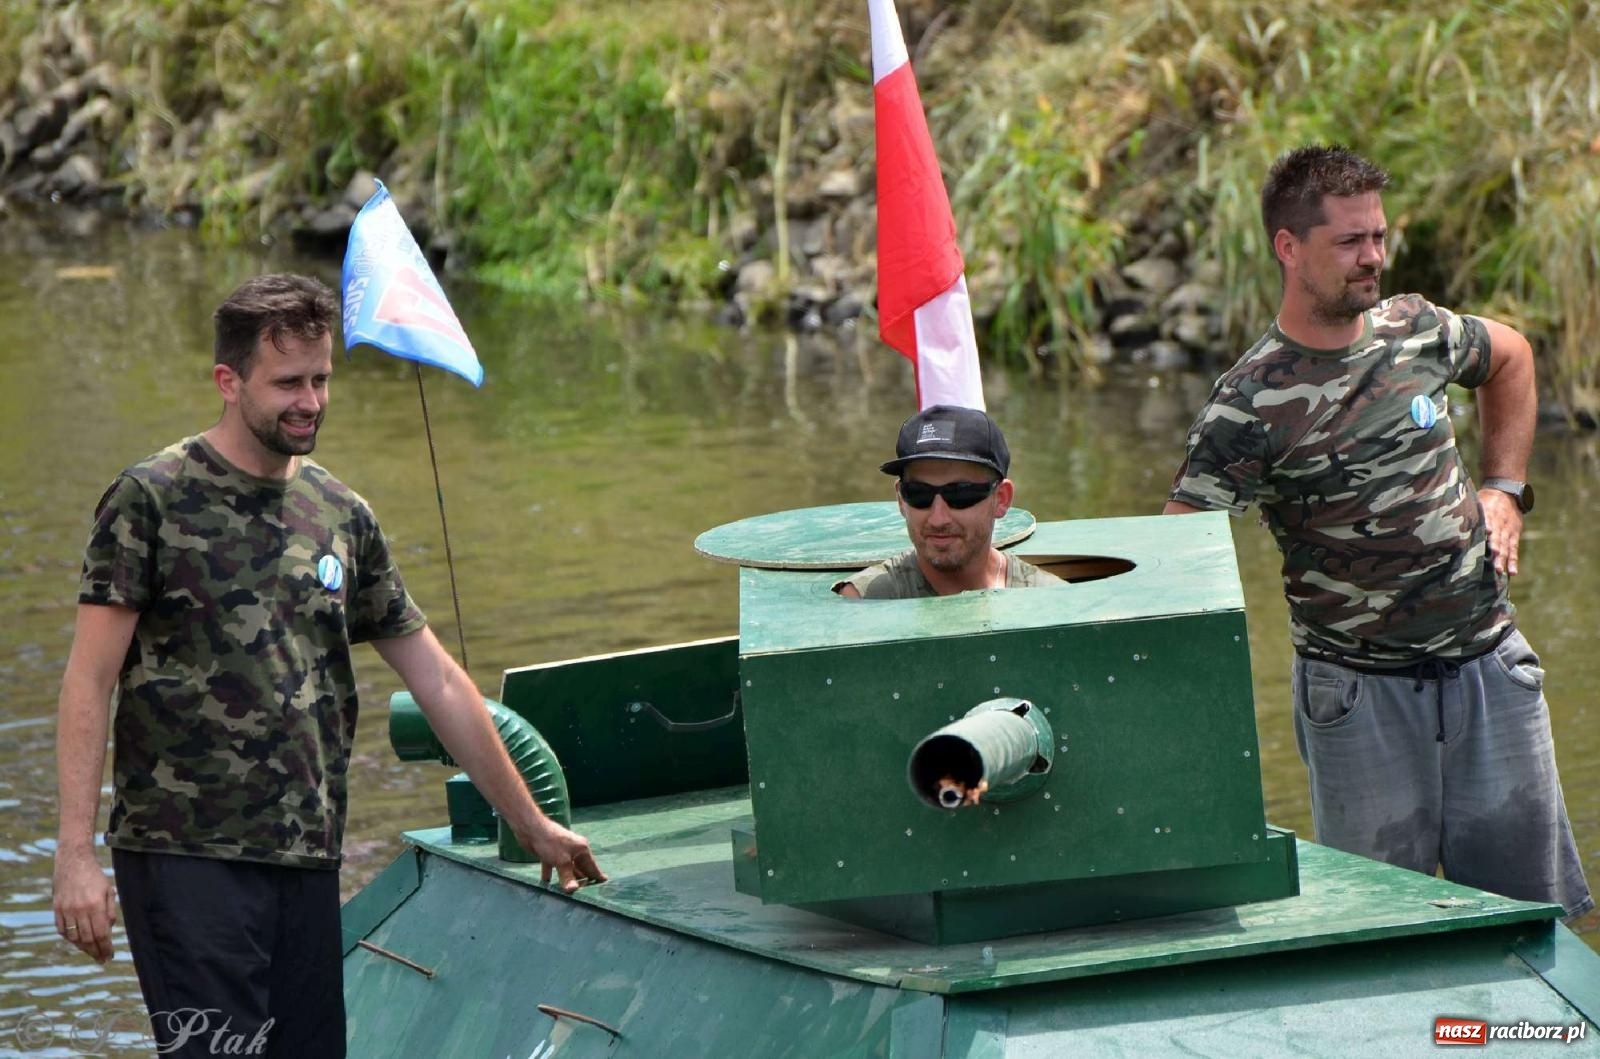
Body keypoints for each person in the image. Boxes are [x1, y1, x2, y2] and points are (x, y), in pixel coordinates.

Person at [51, 273, 607, 1056]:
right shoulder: (152, 499)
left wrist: (531, 822)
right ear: (228, 379)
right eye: (287, 383)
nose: (310, 399)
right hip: (186, 860)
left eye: (320, 378)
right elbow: (89, 679)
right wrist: (74, 855)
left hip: (308, 854)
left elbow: (437, 679)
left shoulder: (343, 515)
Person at [1164, 144, 1590, 918]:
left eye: (1380, 235)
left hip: (1489, 671)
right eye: (1351, 241)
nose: (1375, 257)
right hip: (1358, 695)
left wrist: (1504, 490)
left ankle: (1518, 1041)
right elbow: (1175, 553)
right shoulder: (1246, 404)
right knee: (1374, 931)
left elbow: (1513, 359)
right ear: (1288, 248)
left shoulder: (1418, 329)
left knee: (1531, 926)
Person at [835, 404, 1060, 598]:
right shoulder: (863, 602)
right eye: (919, 493)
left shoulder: (1051, 600)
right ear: (901, 500)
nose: (938, 518)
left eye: (960, 494)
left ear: (1001, 499)